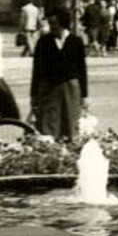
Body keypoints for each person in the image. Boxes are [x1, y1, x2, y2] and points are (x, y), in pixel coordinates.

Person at [31, 7, 88, 140]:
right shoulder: (43, 42)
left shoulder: (75, 41)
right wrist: (33, 94)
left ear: (62, 23)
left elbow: (82, 70)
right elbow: (37, 70)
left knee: (71, 124)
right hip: (49, 89)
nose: (51, 27)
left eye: (53, 24)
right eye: (49, 23)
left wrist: (84, 95)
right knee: (49, 125)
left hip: (71, 89)